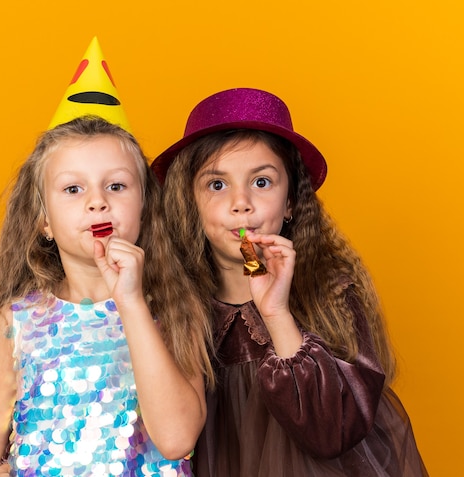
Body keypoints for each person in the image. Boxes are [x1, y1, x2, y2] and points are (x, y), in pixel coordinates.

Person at [151, 88, 428, 476]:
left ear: (292, 202)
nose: (241, 202)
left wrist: (277, 313)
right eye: (217, 185)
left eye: (261, 182)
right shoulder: (173, 306)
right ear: (189, 202)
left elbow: (330, 433)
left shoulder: (330, 294)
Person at [0, 116, 214, 477]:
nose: (97, 202)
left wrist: (131, 302)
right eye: (73, 189)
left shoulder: (174, 309)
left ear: (144, 207)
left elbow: (176, 439)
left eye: (116, 185)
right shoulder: (16, 321)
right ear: (43, 221)